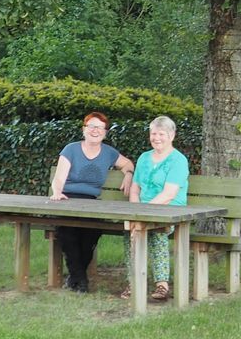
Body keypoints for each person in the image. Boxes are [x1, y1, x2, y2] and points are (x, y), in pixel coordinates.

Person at [49, 112, 135, 293]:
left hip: (91, 203)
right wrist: (57, 192)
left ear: (105, 132)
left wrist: (128, 174)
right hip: (67, 199)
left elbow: (128, 164)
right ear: (84, 129)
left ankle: (75, 278)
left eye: (100, 127)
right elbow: (59, 178)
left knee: (92, 233)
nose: (95, 130)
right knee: (67, 233)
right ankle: (81, 281)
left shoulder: (109, 152)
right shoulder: (70, 149)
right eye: (92, 126)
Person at [119, 115, 189, 301]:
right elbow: (135, 188)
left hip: (170, 210)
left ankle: (162, 285)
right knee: (130, 230)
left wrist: (145, 212)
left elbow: (169, 194)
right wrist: (136, 211)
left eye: (162, 134)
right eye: (153, 133)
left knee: (157, 231)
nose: (156, 138)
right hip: (143, 209)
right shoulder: (144, 157)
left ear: (172, 135)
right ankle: (133, 282)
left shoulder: (178, 160)